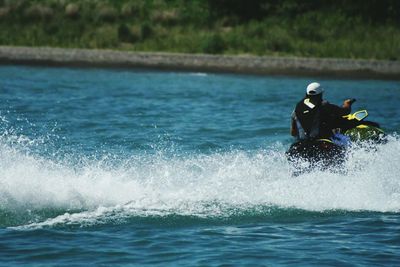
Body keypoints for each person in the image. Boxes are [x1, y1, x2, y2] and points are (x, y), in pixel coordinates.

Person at [290, 82, 355, 141]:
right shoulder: (323, 105)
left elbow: (293, 133)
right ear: (321, 94)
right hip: (321, 142)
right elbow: (345, 111)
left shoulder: (296, 109)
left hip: (301, 144)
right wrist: (347, 104)